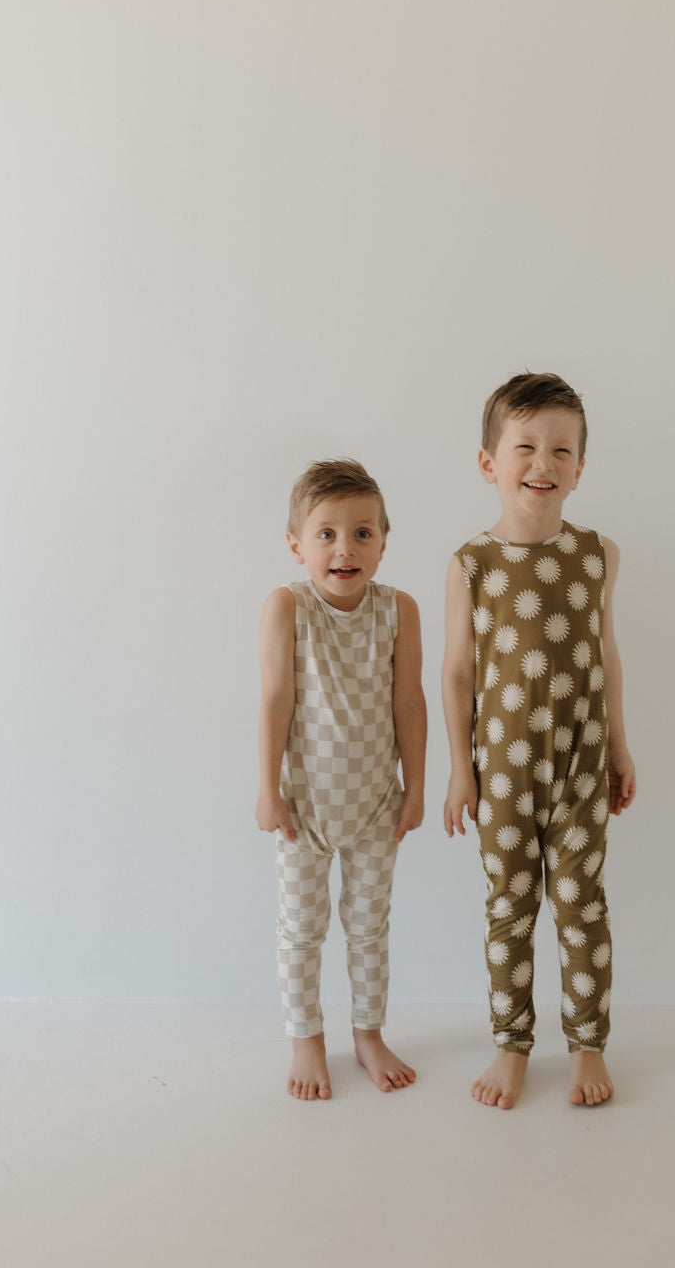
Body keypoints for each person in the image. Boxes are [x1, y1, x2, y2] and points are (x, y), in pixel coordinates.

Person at [443, 373, 637, 1109]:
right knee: (510, 908)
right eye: (524, 446)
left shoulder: (599, 555)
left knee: (583, 904)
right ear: (491, 462)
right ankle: (511, 1045)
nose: (543, 462)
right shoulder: (472, 565)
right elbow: (458, 673)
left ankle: (588, 1046)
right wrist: (461, 772)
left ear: (580, 468)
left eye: (561, 449)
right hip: (502, 774)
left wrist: (620, 747)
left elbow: (607, 656)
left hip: (582, 767)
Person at [256, 459, 426, 1101]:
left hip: (376, 804)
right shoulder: (287, 607)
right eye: (325, 533)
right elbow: (274, 699)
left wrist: (415, 789)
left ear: (383, 540)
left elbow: (409, 702)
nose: (344, 548)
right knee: (301, 928)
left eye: (361, 533)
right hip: (304, 807)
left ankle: (368, 1033)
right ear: (297, 543)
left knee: (368, 926)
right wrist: (268, 788)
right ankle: (306, 1039)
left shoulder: (398, 610)